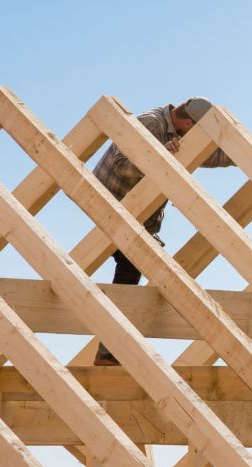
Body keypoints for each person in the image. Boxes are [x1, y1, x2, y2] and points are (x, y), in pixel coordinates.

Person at [92, 97, 235, 366]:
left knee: (134, 270)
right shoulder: (151, 123)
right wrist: (158, 157)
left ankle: (109, 351)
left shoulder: (178, 129)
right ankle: (108, 353)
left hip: (136, 213)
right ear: (189, 122)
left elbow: (205, 154)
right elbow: (123, 163)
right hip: (111, 202)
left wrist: (244, 157)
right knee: (132, 268)